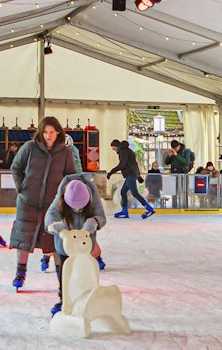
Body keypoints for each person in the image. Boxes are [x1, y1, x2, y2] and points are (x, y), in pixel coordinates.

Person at [9, 116, 81, 290]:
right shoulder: (30, 148)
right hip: (28, 202)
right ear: (40, 133)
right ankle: (20, 272)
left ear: (58, 133)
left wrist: (65, 197)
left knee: (55, 240)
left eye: (52, 132)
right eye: (45, 132)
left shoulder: (65, 152)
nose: (48, 136)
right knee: (24, 238)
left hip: (53, 205)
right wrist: (22, 188)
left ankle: (61, 276)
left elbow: (70, 176)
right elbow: (16, 168)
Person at [45, 175, 108, 316]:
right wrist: (53, 225)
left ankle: (85, 299)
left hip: (84, 245)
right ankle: (64, 300)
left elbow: (101, 216)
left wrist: (95, 221)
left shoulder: (93, 196)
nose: (78, 210)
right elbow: (51, 214)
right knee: (65, 272)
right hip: (65, 244)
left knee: (84, 272)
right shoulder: (61, 195)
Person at [109, 138, 154, 219]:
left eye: (113, 148)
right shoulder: (128, 151)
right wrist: (138, 176)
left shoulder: (123, 151)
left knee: (135, 193)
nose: (114, 151)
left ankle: (149, 209)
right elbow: (134, 164)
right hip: (131, 175)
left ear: (116, 146)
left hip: (130, 175)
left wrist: (111, 172)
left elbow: (122, 165)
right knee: (123, 192)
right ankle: (124, 211)